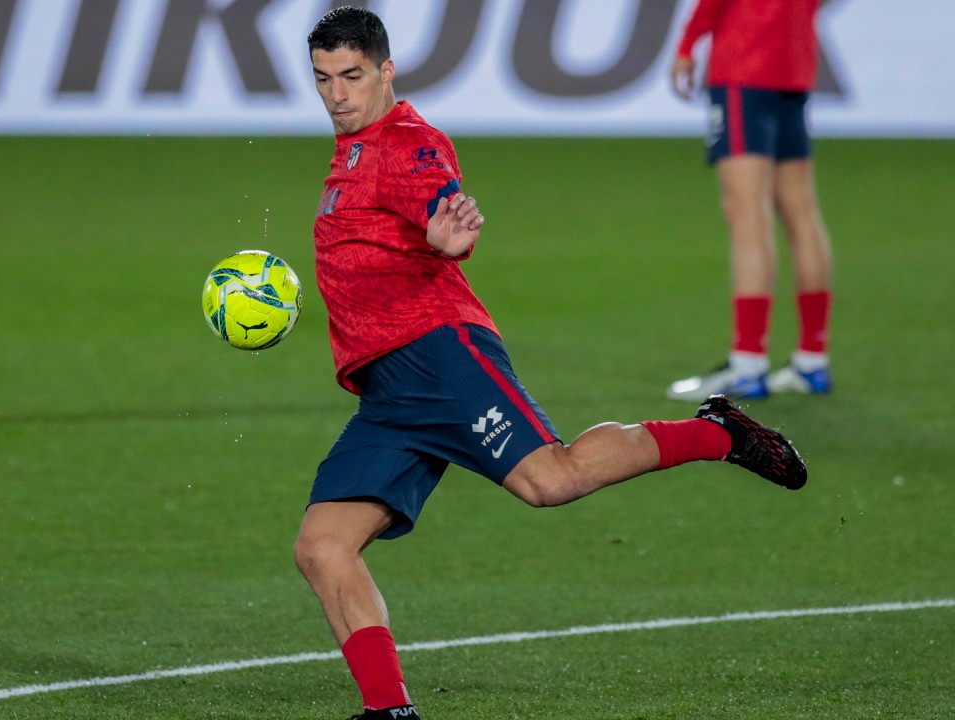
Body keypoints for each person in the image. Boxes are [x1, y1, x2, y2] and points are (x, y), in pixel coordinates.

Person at [295, 7, 807, 719]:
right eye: (323, 79)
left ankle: (719, 434)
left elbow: (440, 199)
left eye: (352, 76)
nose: (337, 93)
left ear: (386, 71)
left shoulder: (408, 143)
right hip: (387, 389)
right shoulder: (349, 154)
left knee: (551, 480)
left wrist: (447, 234)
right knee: (323, 546)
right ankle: (390, 711)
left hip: (441, 355)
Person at [666, 0, 835, 401]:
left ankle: (747, 365)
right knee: (802, 214)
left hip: (745, 65)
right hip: (794, 66)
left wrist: (688, 44)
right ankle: (812, 360)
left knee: (747, 215)